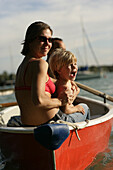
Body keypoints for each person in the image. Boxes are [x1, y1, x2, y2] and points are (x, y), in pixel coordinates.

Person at [14, 21, 75, 126]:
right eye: (42, 39)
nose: (47, 43)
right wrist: (61, 101)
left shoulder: (22, 67)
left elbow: (48, 81)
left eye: (50, 40)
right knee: (85, 108)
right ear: (30, 41)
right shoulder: (40, 64)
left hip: (28, 125)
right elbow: (39, 100)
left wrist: (68, 82)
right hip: (52, 122)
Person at [49, 48, 90, 122]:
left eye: (75, 64)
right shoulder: (64, 87)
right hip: (65, 118)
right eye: (70, 65)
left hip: (62, 115)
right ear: (59, 70)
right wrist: (77, 108)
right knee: (85, 107)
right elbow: (66, 110)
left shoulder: (64, 82)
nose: (74, 67)